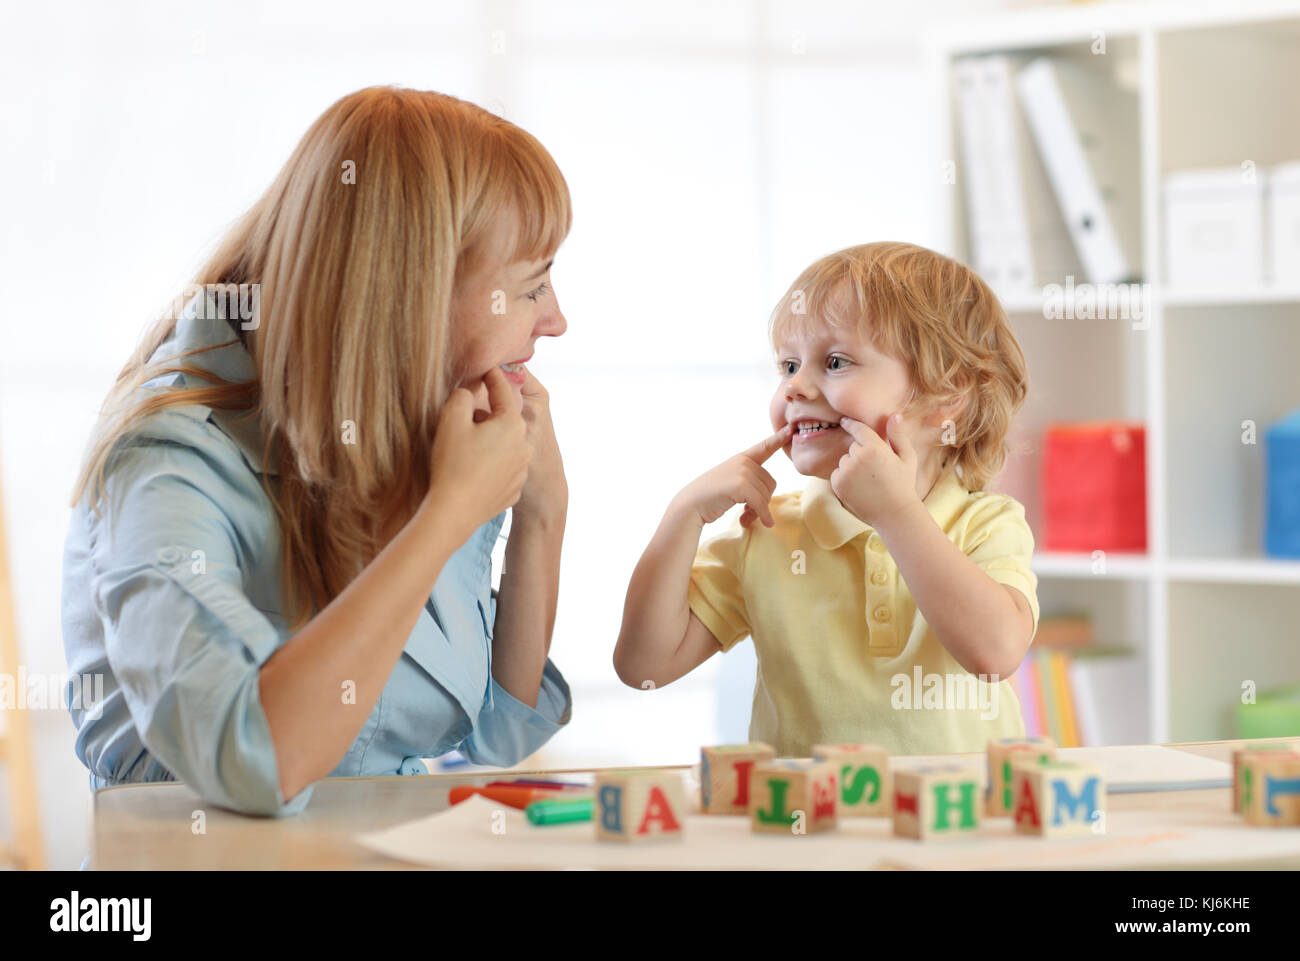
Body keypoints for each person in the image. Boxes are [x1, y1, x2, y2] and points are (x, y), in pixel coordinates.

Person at [61, 86, 574, 828]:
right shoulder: (167, 458)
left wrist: (542, 514)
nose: (557, 319)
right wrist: (445, 514)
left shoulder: (415, 417)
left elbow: (501, 730)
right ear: (415, 295)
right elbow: (253, 761)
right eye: (531, 287)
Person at [615, 241, 1039, 756]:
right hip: (805, 827)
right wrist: (683, 515)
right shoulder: (768, 532)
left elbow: (994, 653)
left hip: (953, 825)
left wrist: (895, 514)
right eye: (788, 366)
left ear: (947, 393)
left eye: (835, 362)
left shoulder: (988, 523)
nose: (796, 387)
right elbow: (643, 669)